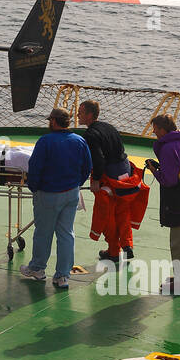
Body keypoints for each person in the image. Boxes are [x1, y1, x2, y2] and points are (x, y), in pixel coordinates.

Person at [21, 106, 92, 289]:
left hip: (48, 194)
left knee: (43, 233)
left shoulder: (45, 141)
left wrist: (34, 188)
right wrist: (76, 183)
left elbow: (35, 168)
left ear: (53, 121)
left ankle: (37, 268)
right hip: (71, 193)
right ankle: (62, 276)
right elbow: (87, 167)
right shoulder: (79, 141)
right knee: (66, 234)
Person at [77, 101, 146, 265]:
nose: (77, 115)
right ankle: (127, 244)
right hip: (126, 174)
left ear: (89, 115)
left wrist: (96, 179)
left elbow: (99, 159)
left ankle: (114, 251)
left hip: (111, 179)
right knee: (123, 211)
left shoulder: (91, 135)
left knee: (107, 214)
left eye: (80, 112)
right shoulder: (109, 127)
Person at [144, 114, 180, 295]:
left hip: (178, 203)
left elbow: (169, 181)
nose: (154, 132)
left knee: (179, 243)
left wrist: (154, 170)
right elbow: (179, 171)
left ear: (163, 129)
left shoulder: (169, 148)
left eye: (156, 129)